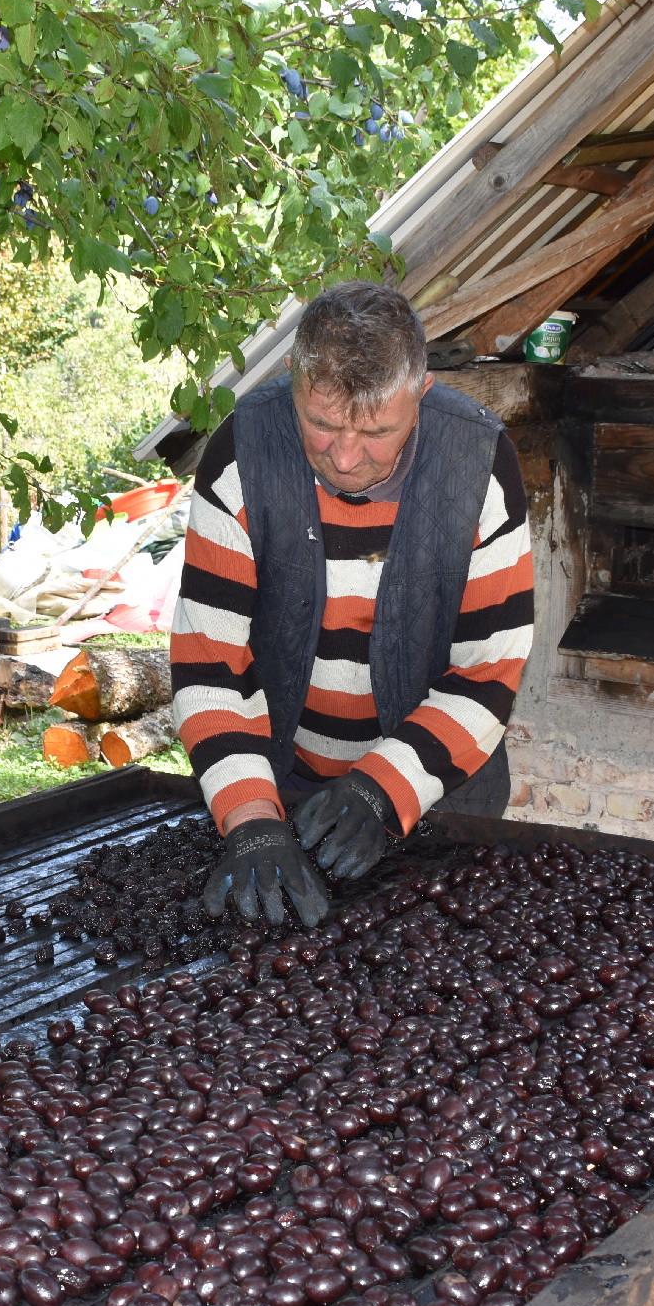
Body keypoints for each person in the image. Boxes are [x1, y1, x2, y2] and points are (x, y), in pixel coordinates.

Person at [172, 280, 535, 927]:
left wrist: (380, 789)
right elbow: (209, 667)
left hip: (440, 796)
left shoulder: (479, 465)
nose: (344, 456)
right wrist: (253, 820)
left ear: (420, 396)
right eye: (322, 422)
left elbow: (488, 673)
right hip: (287, 795)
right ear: (292, 377)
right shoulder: (240, 458)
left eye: (375, 432)